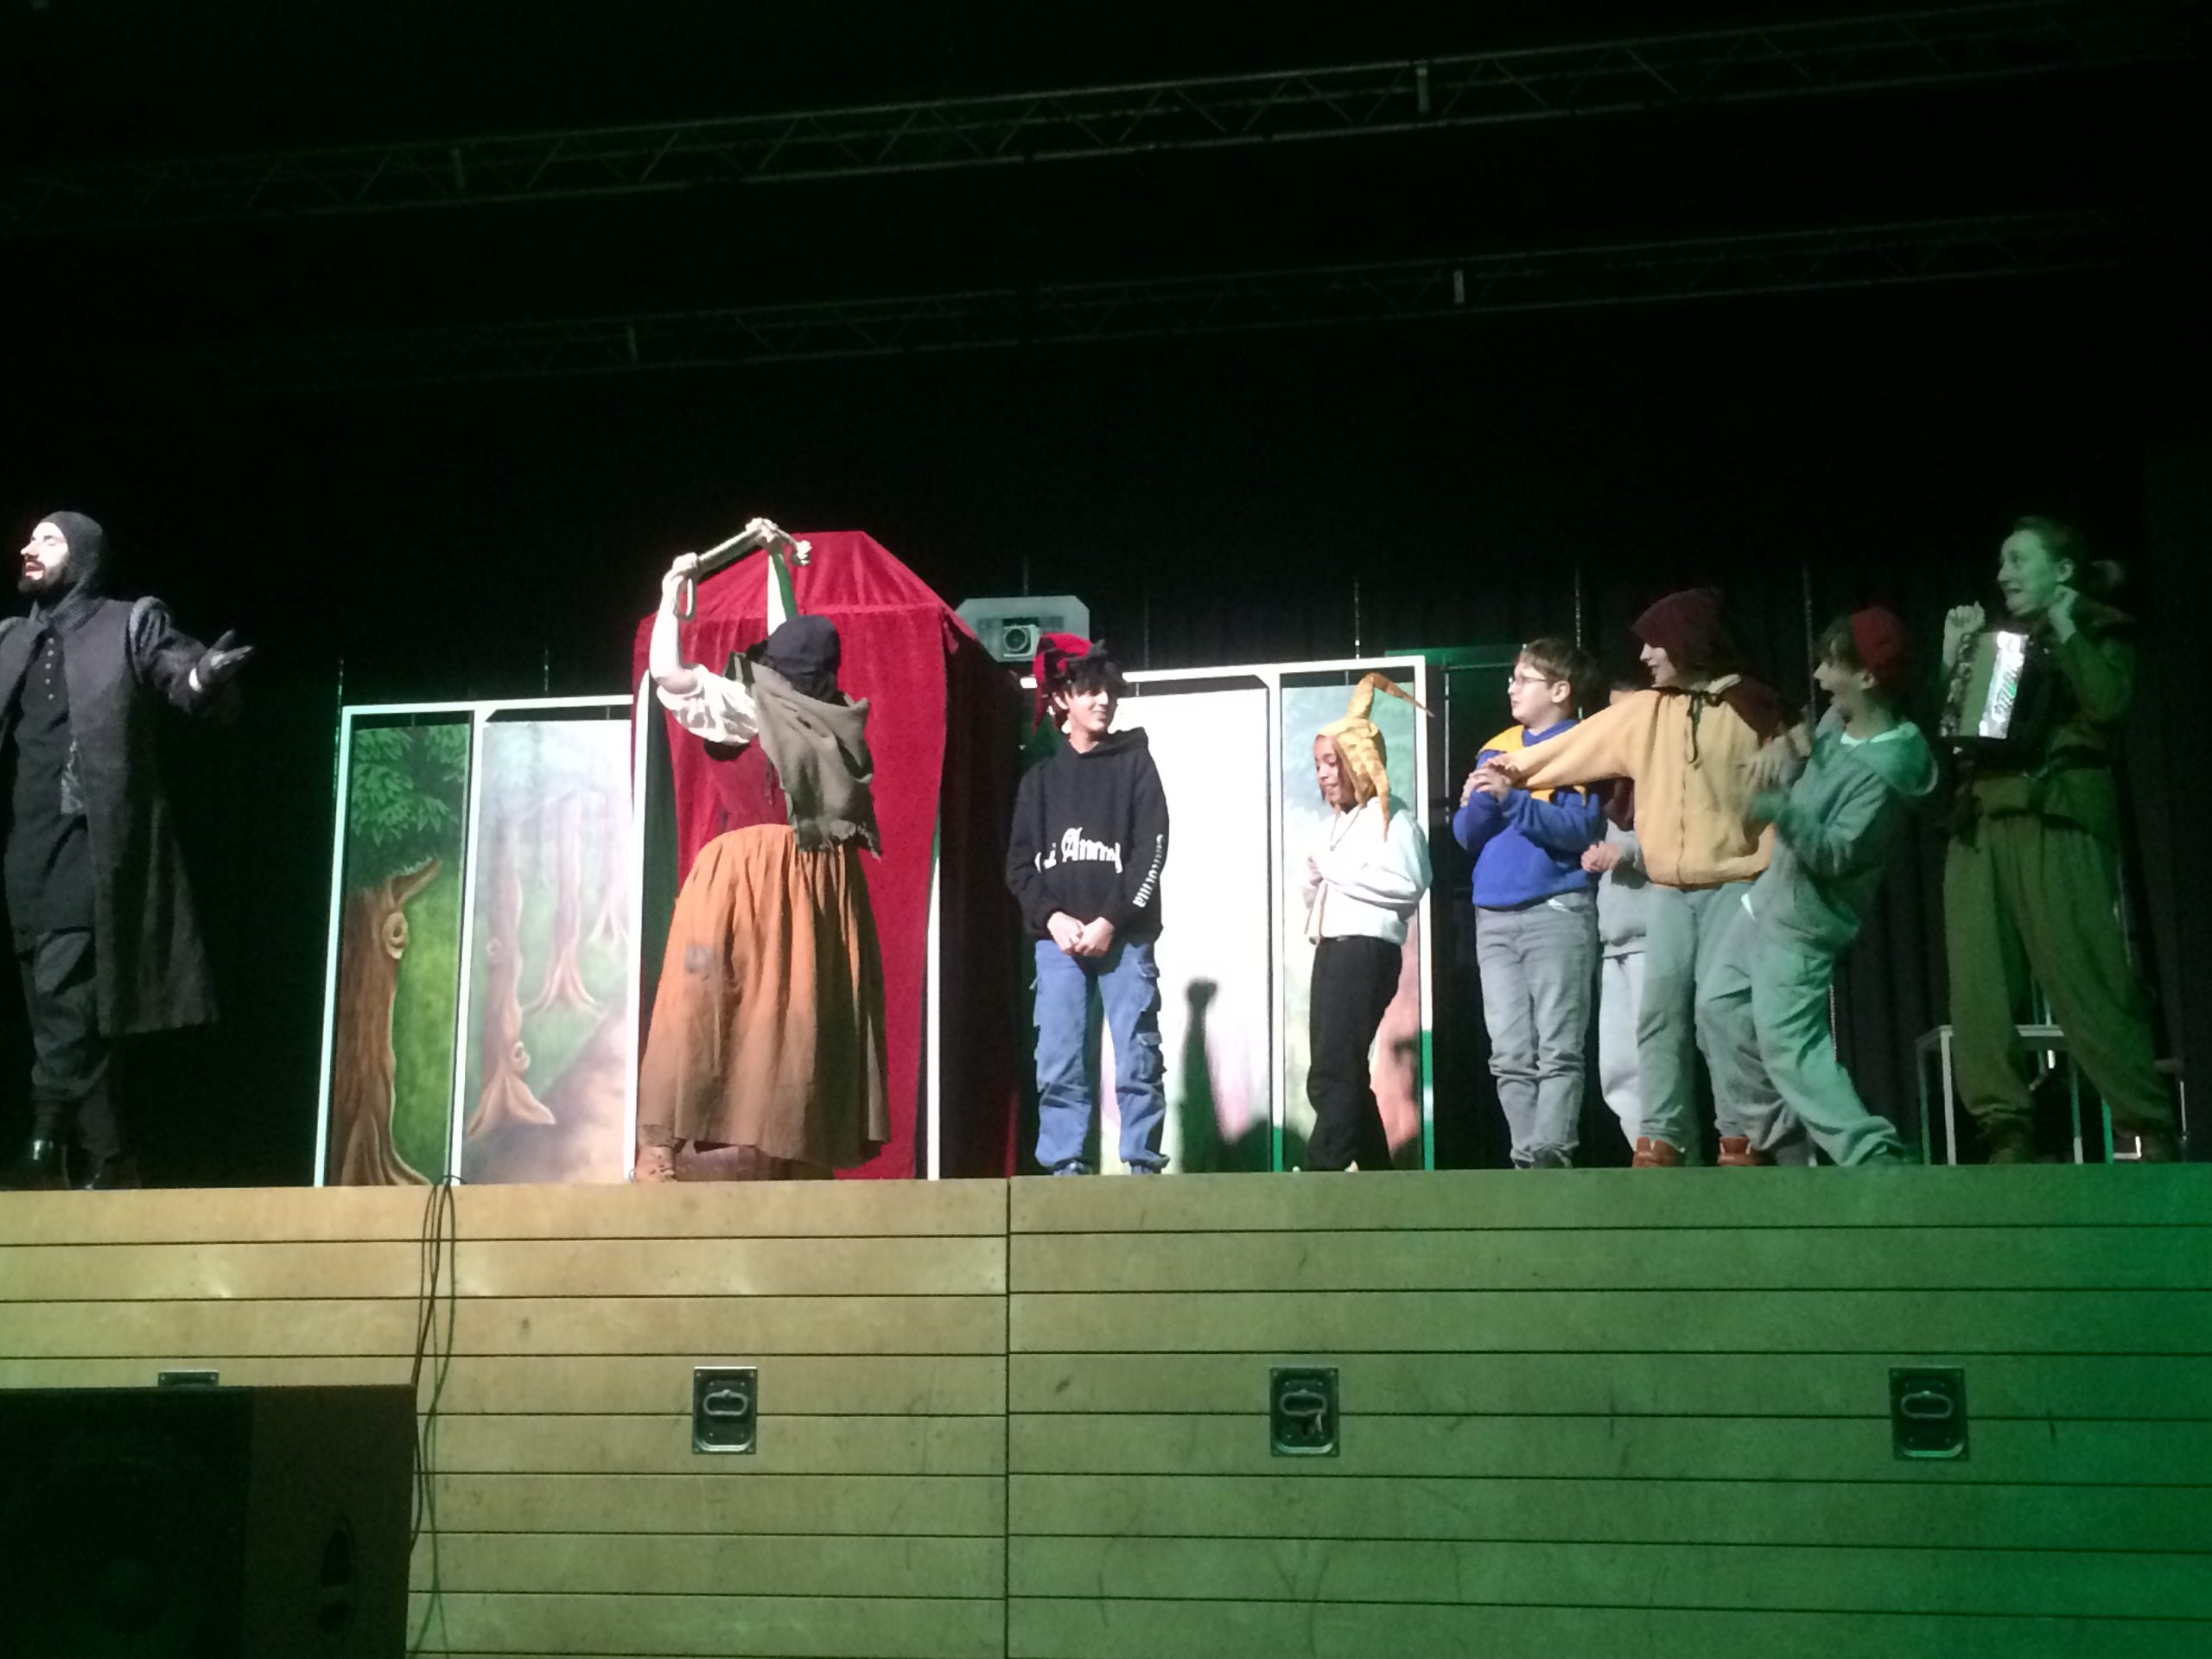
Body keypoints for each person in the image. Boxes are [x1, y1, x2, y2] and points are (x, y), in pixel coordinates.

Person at [1486, 590, 1796, 1166]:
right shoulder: (1648, 712)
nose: (1647, 655)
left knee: (1722, 1011)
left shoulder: (1750, 706)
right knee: (1658, 1013)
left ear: (1689, 642)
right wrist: (1512, 768)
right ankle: (1661, 1133)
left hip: (1738, 881)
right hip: (1672, 889)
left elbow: (1805, 750)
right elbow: (1579, 744)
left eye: (1657, 643)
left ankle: (1742, 1130)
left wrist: (1790, 748)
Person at [0, 512, 252, 1191]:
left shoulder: (127, 622)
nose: (28, 548)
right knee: (55, 1002)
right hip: (25, 847)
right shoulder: (11, 640)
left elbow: (178, 673)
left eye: (47, 540)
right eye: (30, 538)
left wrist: (202, 677)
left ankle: (43, 1139)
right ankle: (113, 1160)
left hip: (90, 844)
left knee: (62, 992)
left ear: (82, 557)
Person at [636, 552, 890, 1180]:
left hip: (784, 878)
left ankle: (789, 1149)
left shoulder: (772, 705)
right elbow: (783, 638)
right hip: (764, 882)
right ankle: (664, 1146)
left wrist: (672, 594)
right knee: (712, 996)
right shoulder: (819, 715)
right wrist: (772, 562)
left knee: (792, 1010)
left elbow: (669, 670)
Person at [1939, 516, 2177, 1161]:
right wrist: (1955, 659)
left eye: (2018, 560)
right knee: (1980, 986)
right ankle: (2005, 1126)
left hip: (2056, 815)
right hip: (1983, 820)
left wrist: (2069, 629)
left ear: (2064, 570)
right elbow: (1970, 732)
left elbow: (2108, 705)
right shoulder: (2003, 642)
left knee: (2086, 973)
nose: (2003, 575)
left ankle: (2147, 1123)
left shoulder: (2100, 628)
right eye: (2002, 562)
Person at [1701, 609, 1933, 1166]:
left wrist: (1780, 809)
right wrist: (1785, 747)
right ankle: (1782, 1141)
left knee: (1791, 1048)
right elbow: (1810, 738)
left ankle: (1872, 1153)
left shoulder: (1887, 772)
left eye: (1832, 666)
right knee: (1717, 1008)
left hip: (1805, 926)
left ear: (1868, 678)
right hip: (1766, 903)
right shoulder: (1837, 719)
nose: (1821, 678)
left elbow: (1836, 855)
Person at [1005, 639, 1169, 1175]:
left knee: (1138, 1056)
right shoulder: (1039, 771)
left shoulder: (1135, 761)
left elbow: (1152, 851)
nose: (1103, 701)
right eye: (1089, 691)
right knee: (1058, 1060)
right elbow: (1018, 863)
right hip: (1058, 943)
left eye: (1109, 691)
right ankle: (1065, 1171)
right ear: (1061, 699)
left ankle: (1142, 1167)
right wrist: (1052, 918)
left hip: (1125, 938)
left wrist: (1110, 921)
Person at [1453, 639, 1604, 1168]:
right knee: (1510, 1052)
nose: (1511, 687)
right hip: (1493, 916)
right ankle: (1525, 1159)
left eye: (1524, 679)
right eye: (1513, 678)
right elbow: (1466, 836)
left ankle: (1552, 1153)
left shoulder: (1581, 747)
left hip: (1556, 910)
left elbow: (1580, 829)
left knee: (1558, 1047)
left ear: (1561, 691)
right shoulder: (1497, 749)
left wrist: (1512, 798)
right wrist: (1481, 798)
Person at [1300, 673, 1431, 1173]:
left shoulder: (1391, 818)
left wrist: (1331, 869)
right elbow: (1323, 890)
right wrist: (1314, 880)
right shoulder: (1334, 824)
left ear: (1358, 761)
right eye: (1318, 764)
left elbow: (1409, 882)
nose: (1324, 774)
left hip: (1365, 950)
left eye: (1332, 762)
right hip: (1334, 948)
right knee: (1340, 1068)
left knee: (1333, 1069)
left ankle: (1324, 1168)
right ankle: (1378, 1171)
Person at [1580, 674, 1653, 1154]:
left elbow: (1686, 844)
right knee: (1618, 1065)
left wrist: (1625, 852)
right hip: (1614, 938)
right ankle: (1643, 1152)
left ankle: (1669, 1150)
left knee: (1656, 1056)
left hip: (1654, 934)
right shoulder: (1612, 787)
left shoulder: (1663, 776)